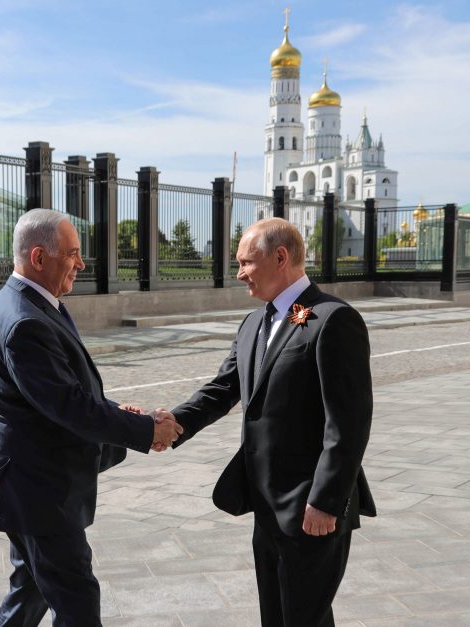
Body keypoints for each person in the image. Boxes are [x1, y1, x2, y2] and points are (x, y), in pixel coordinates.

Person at [0, 208, 182, 627]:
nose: (81, 264)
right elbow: (69, 407)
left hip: (33, 488)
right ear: (39, 257)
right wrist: (146, 428)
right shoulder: (25, 321)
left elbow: (62, 394)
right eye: (73, 254)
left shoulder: (34, 303)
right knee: (78, 602)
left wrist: (117, 412)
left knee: (29, 593)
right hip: (39, 491)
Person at [161, 217, 375, 626]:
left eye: (246, 262)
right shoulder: (256, 323)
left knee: (304, 617)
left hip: (311, 507)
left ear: (280, 257)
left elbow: (348, 424)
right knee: (278, 616)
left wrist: (325, 501)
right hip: (266, 504)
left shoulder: (331, 320)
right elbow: (222, 390)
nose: (239, 273)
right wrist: (171, 422)